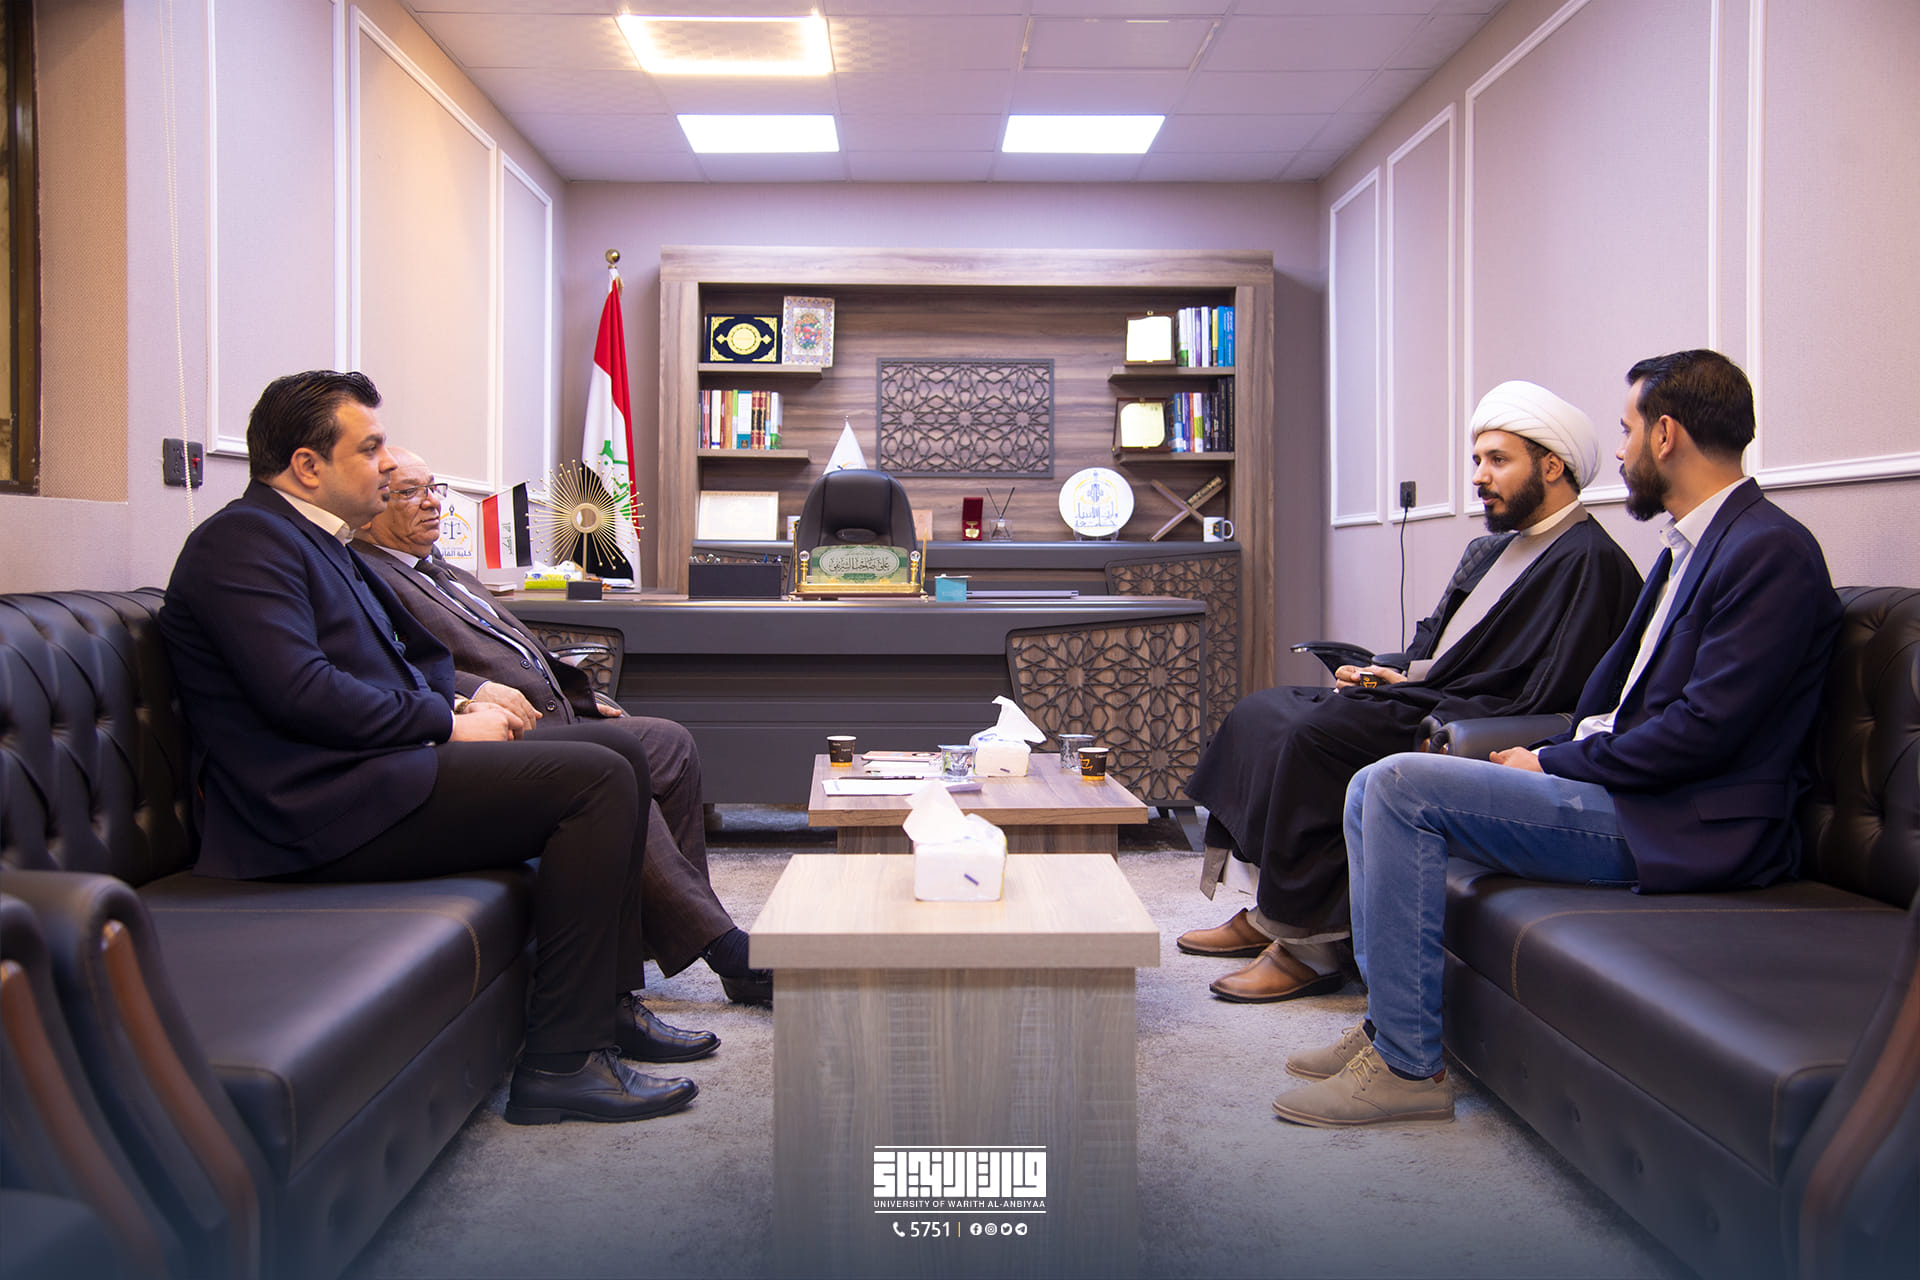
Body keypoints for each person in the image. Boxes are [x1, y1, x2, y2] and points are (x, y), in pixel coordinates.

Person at [1273, 349, 1841, 1127]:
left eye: (1627, 430)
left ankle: (1407, 1068)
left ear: (1666, 434)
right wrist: (1555, 754)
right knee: (1373, 782)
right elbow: (1625, 703)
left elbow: (1703, 732)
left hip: (1679, 821)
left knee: (1401, 787)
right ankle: (1389, 1026)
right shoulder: (1693, 547)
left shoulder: (1767, 551)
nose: (1620, 451)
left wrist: (1553, 761)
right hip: (1625, 791)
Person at [160, 369, 720, 1127]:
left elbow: (398, 662)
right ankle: (561, 1063)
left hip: (370, 774)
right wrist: (445, 722)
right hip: (308, 810)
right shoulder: (242, 543)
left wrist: (464, 699)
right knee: (595, 776)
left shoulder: (317, 541)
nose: (387, 464)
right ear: (307, 465)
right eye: (371, 448)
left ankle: (606, 1010)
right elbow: (302, 692)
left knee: (617, 754)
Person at [1180, 381, 1641, 1002]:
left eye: (1497, 461)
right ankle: (1269, 908)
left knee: (1319, 736)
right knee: (1262, 713)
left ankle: (1309, 947)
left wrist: (1423, 689)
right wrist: (1390, 673)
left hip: (1474, 716)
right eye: (1477, 460)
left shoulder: (1589, 560)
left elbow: (1544, 687)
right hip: (1430, 692)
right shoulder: (1491, 550)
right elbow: (1439, 643)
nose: (1479, 477)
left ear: (1552, 467)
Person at [354, 447, 770, 1005]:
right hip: (498, 733)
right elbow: (397, 665)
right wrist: (471, 694)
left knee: (670, 743)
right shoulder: (368, 575)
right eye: (410, 492)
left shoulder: (441, 569)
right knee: (619, 761)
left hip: (552, 712)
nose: (432, 503)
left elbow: (517, 646)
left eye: (434, 488)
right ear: (371, 505)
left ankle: (659, 928)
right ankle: (721, 944)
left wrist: (581, 695)